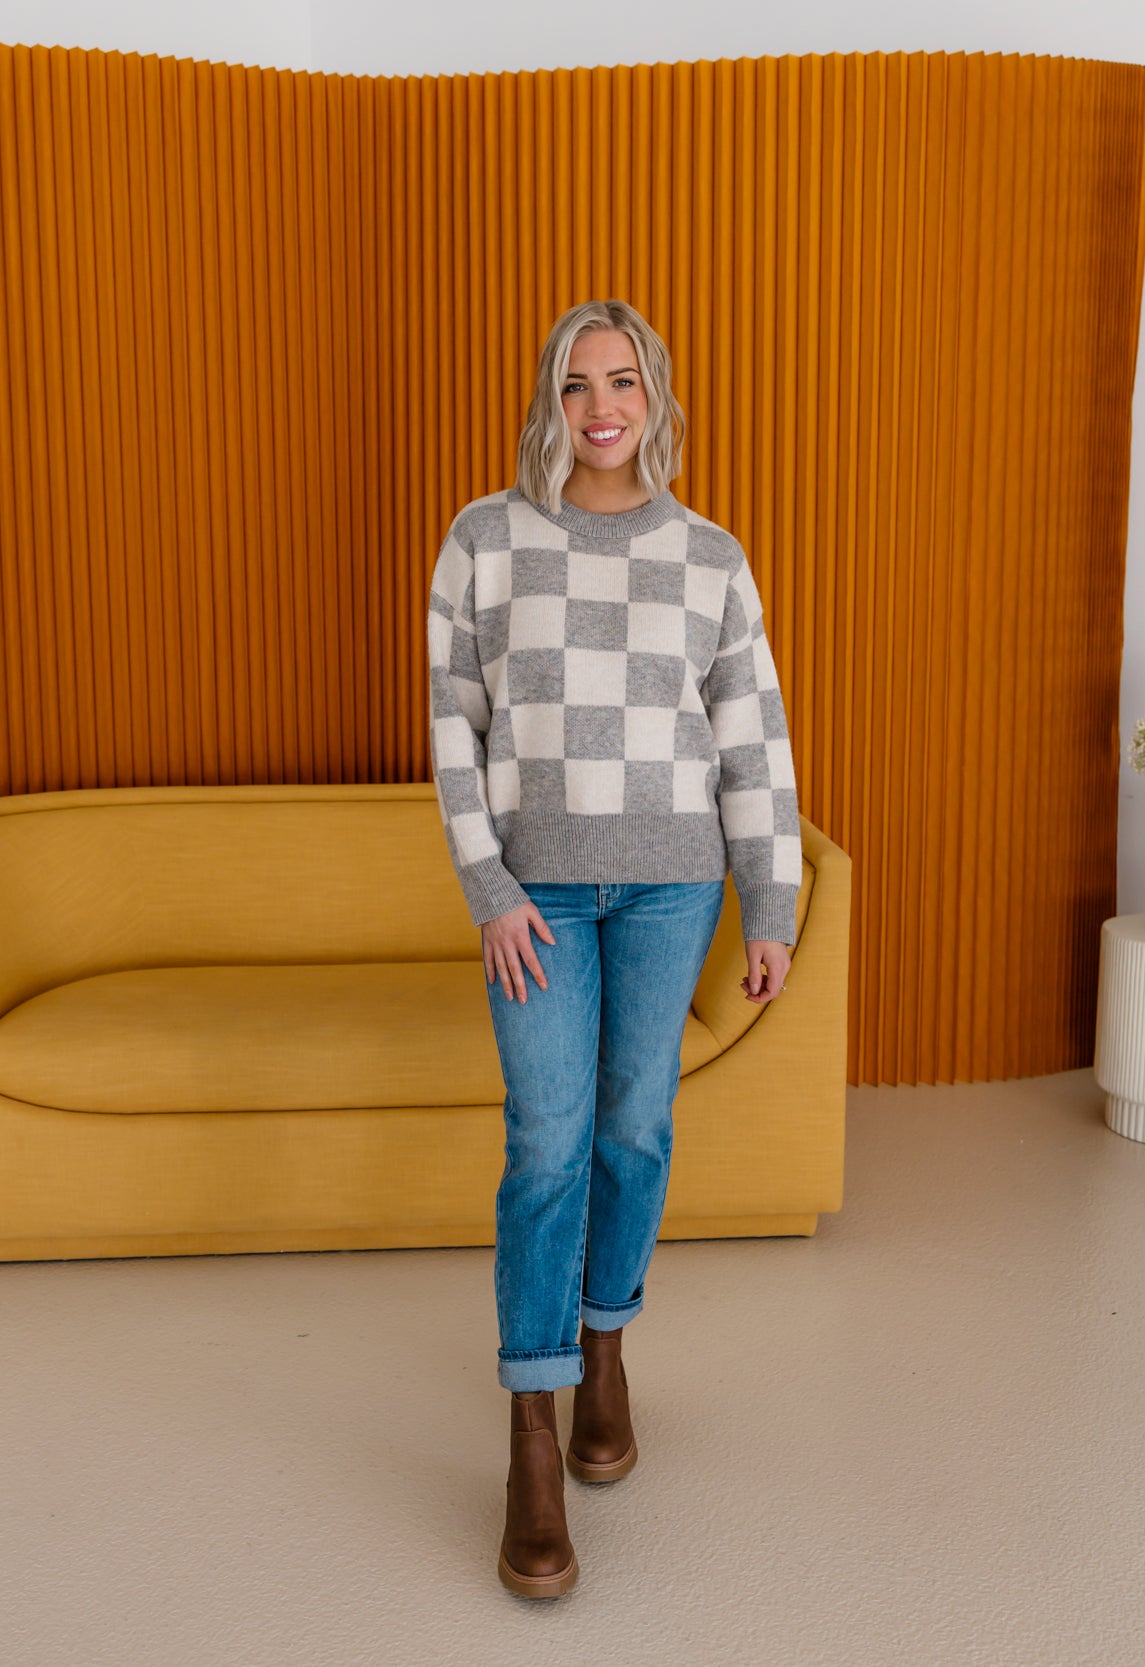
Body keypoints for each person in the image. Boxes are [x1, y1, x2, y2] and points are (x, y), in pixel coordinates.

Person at [426, 298, 802, 1599]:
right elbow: (454, 724)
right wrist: (488, 886)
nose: (601, 406)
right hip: (533, 897)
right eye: (578, 382)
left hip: (671, 891)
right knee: (546, 1143)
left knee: (633, 1131)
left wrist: (768, 903)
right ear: (550, 398)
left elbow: (751, 740)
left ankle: (605, 1351)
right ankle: (531, 1434)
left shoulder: (709, 557)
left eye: (624, 381)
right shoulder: (486, 538)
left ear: (655, 400)